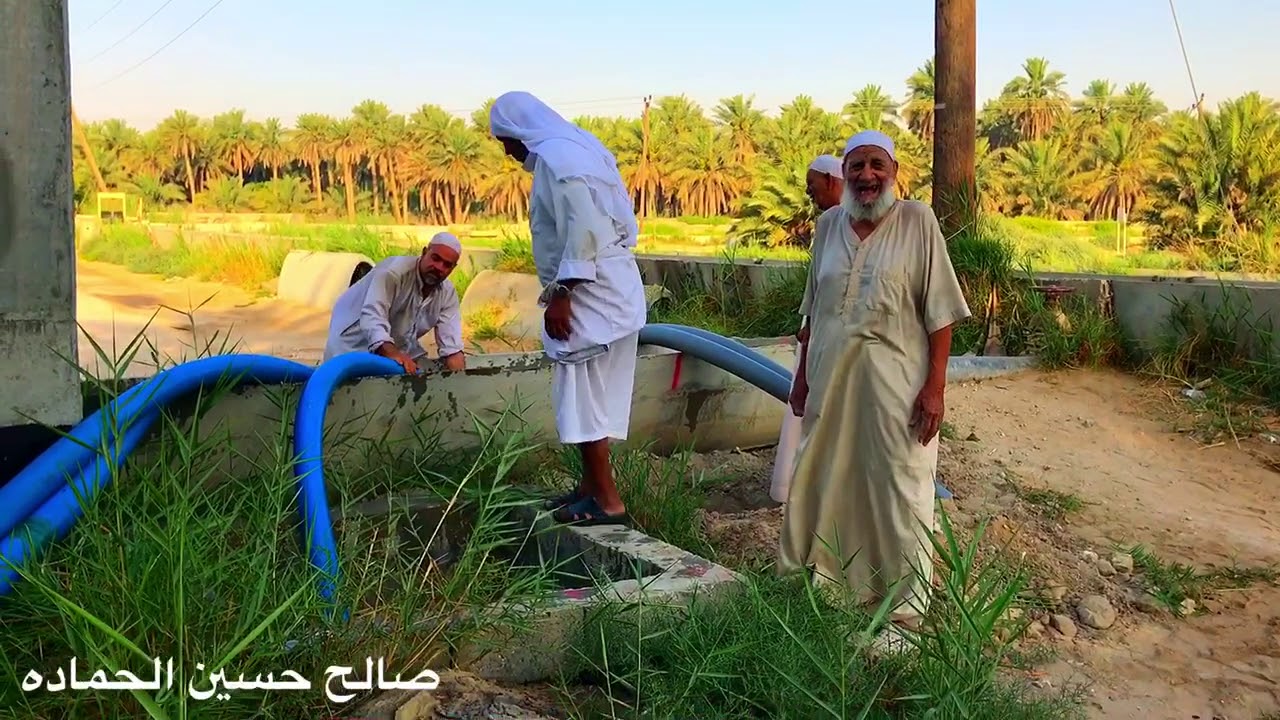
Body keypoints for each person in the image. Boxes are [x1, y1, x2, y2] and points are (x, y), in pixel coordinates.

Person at [778, 130, 972, 654]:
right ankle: (822, 580)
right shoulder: (827, 226)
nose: (866, 175)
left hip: (896, 382)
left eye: (876, 165)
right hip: (830, 378)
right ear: (844, 174)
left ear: (894, 172)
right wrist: (800, 378)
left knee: (900, 481)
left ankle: (906, 604)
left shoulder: (918, 222)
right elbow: (812, 311)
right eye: (856, 165)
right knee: (823, 474)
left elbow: (941, 315)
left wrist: (936, 388)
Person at [489, 90, 647, 526]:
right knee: (598, 394)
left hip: (587, 290)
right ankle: (589, 489)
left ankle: (608, 502)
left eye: (505, 138)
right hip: (613, 285)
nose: (506, 149)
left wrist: (562, 293)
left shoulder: (557, 158)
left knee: (581, 396)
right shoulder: (583, 147)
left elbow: (586, 228)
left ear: (520, 129)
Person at [770, 154, 845, 504]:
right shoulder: (830, 224)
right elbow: (817, 286)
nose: (808, 194)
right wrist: (810, 327)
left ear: (832, 181)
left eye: (812, 187)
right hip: (819, 337)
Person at [322, 231, 467, 374]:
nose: (439, 267)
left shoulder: (447, 293)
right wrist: (392, 353)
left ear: (453, 268)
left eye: (447, 265)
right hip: (352, 343)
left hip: (395, 347)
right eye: (435, 258)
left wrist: (461, 383)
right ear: (424, 252)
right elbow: (373, 317)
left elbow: (452, 347)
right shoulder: (393, 273)